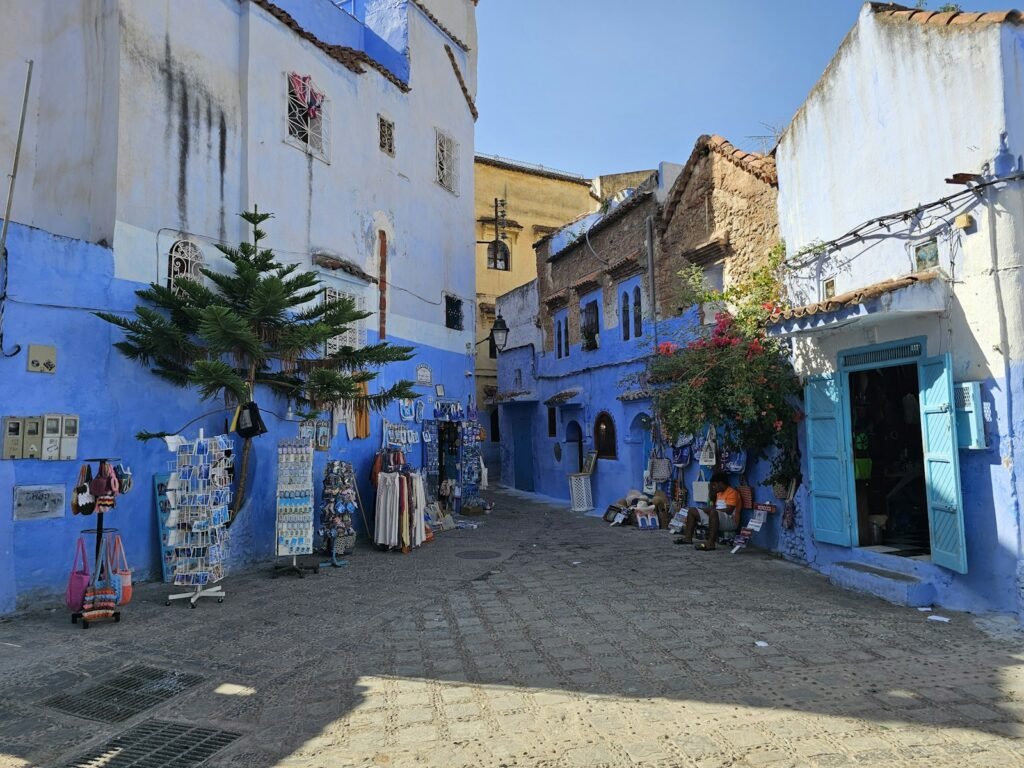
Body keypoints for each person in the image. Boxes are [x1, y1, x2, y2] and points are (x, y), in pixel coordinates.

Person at [677, 472, 742, 550]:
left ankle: (710, 543)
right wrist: (707, 508)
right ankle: (687, 538)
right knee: (692, 511)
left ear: (721, 483)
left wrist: (712, 510)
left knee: (713, 512)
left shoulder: (732, 492)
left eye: (715, 485)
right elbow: (715, 509)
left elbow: (729, 510)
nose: (714, 487)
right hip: (717, 518)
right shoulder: (719, 493)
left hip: (730, 521)